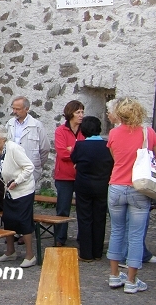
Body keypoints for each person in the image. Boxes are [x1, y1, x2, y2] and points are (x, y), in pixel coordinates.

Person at [106, 97, 156, 294]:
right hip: (139, 187)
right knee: (136, 236)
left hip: (116, 186)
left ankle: (113, 275)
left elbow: (115, 157)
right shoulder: (147, 132)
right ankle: (131, 280)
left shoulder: (113, 132)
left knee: (116, 231)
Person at [0, 124, 36, 268]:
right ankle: (10, 252)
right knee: (7, 219)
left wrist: (18, 181)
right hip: (9, 190)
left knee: (23, 221)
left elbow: (29, 167)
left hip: (23, 190)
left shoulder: (14, 148)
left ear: (2, 137)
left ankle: (30, 255)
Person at [70, 116, 113, 261]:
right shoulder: (107, 146)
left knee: (85, 217)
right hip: (102, 184)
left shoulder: (81, 145)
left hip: (84, 184)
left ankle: (86, 253)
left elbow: (74, 159)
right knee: (100, 217)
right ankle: (97, 252)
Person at [53, 99, 85, 246]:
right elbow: (62, 153)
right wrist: (77, 151)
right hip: (64, 175)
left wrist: (72, 149)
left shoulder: (84, 130)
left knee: (83, 209)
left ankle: (82, 238)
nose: (81, 115)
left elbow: (85, 153)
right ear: (70, 113)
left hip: (81, 175)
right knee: (63, 208)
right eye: (78, 112)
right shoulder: (61, 130)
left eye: (82, 112)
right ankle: (60, 238)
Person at [6, 96, 51, 182]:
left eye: (18, 109)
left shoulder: (37, 125)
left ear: (26, 109)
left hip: (30, 167)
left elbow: (45, 148)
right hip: (12, 166)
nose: (14, 111)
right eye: (13, 108)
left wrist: (37, 163)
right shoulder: (10, 123)